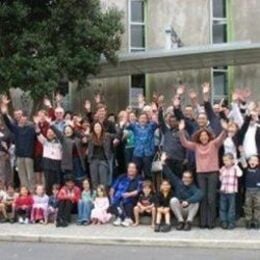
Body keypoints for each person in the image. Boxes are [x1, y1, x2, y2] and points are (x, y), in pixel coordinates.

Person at [179, 119, 228, 229]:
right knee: (203, 197)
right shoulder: (196, 146)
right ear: (199, 137)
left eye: (205, 135)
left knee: (211, 198)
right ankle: (203, 222)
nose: (203, 137)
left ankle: (211, 222)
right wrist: (181, 131)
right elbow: (185, 143)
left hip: (213, 173)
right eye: (201, 136)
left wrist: (224, 128)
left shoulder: (214, 144)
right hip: (201, 174)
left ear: (209, 136)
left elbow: (222, 137)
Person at [160, 153, 203, 231]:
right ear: (182, 178)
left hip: (189, 210)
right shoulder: (178, 183)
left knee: (196, 202)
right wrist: (163, 161)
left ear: (191, 179)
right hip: (179, 209)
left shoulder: (193, 187)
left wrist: (188, 201)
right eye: (184, 177)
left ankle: (189, 222)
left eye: (188, 178)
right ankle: (181, 221)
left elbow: (200, 194)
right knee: (173, 200)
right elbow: (169, 174)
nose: (186, 179)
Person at [0, 101, 36, 192]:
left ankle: (31, 191)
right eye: (21, 118)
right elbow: (8, 124)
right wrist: (4, 113)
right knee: (22, 175)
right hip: (19, 156)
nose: (22, 119)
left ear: (26, 118)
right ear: (19, 119)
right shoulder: (16, 129)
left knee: (30, 175)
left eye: (24, 117)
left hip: (28, 156)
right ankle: (25, 191)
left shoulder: (31, 128)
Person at [108, 163, 142, 227]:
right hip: (120, 196)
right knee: (115, 201)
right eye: (129, 168)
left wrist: (129, 194)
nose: (131, 169)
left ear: (136, 170)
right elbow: (113, 186)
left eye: (133, 168)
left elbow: (139, 190)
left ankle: (128, 218)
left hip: (132, 197)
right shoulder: (122, 176)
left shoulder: (139, 178)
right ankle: (120, 217)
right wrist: (112, 193)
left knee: (128, 201)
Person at [35, 118, 62, 195]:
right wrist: (37, 124)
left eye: (51, 132)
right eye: (48, 132)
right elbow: (38, 133)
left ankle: (58, 196)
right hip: (47, 164)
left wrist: (51, 124)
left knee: (57, 182)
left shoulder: (59, 142)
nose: (50, 134)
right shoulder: (45, 141)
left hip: (57, 163)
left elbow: (60, 135)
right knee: (48, 182)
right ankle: (49, 196)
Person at [126, 112, 158, 179]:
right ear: (138, 119)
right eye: (141, 118)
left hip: (148, 153)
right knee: (136, 172)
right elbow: (127, 125)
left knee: (148, 173)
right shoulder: (135, 126)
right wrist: (127, 114)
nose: (143, 120)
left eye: (144, 118)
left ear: (147, 119)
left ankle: (148, 188)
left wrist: (155, 112)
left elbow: (157, 123)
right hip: (137, 153)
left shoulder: (151, 126)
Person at [87, 121, 116, 189]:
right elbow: (82, 138)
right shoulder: (90, 136)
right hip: (93, 160)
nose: (97, 128)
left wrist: (121, 128)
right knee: (94, 181)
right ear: (93, 128)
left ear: (101, 127)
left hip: (103, 160)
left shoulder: (107, 135)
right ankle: (95, 197)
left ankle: (103, 197)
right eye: (95, 127)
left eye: (98, 126)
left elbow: (117, 135)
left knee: (103, 181)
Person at [219, 153, 243, 230]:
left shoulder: (235, 168)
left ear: (232, 160)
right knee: (223, 207)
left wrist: (235, 165)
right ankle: (224, 221)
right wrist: (221, 176)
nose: (225, 162)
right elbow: (220, 178)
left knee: (231, 208)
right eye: (224, 160)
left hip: (231, 192)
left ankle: (231, 222)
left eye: (227, 160)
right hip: (223, 191)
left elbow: (240, 174)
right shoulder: (223, 168)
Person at [241, 154, 260, 229]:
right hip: (248, 191)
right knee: (247, 206)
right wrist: (242, 153)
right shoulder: (246, 169)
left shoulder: (259, 170)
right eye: (251, 160)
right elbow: (243, 162)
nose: (253, 162)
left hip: (258, 191)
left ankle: (257, 221)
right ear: (248, 162)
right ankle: (248, 221)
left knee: (258, 206)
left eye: (255, 160)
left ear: (258, 162)